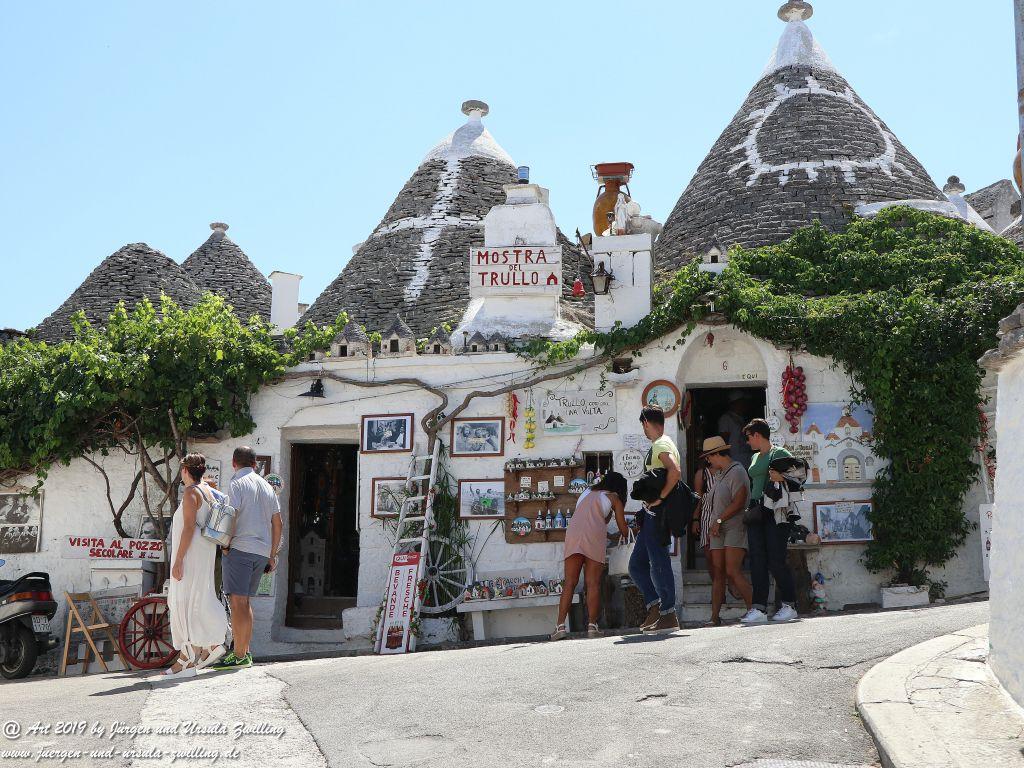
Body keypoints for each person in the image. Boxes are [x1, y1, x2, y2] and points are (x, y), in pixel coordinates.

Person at [213, 446, 283, 669]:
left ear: (234, 463)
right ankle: (245, 651)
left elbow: (230, 516)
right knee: (245, 602)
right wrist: (272, 554)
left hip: (240, 548)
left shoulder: (236, 484)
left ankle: (240, 654)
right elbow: (278, 523)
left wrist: (225, 545)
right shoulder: (267, 487)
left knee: (237, 602)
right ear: (255, 464)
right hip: (261, 551)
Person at [164, 453, 228, 679]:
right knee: (198, 596)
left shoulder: (191, 492)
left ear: (184, 471)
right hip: (205, 551)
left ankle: (189, 655)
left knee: (182, 598)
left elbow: (189, 527)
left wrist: (179, 559)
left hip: (192, 553)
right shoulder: (208, 490)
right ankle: (204, 646)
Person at [550, 472, 629, 640]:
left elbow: (587, 519)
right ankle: (592, 627)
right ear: (619, 488)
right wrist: (634, 530)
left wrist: (607, 532)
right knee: (592, 583)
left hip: (573, 534)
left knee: (569, 583)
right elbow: (623, 529)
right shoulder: (614, 498)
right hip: (594, 538)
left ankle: (559, 627)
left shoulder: (586, 492)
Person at [629, 404, 682, 634]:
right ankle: (655, 606)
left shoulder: (661, 444)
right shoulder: (663, 443)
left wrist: (660, 497)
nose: (644, 430)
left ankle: (668, 613)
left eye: (644, 425)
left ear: (646, 423)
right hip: (650, 514)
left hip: (657, 513)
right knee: (636, 565)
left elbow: (675, 471)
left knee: (659, 562)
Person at [741, 418, 798, 624]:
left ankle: (789, 604)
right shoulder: (755, 458)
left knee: (776, 558)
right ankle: (759, 608)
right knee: (757, 559)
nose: (747, 442)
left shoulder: (779, 453)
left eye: (749, 438)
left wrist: (781, 477)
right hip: (757, 509)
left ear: (757, 435)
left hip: (775, 510)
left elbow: (799, 474)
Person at [700, 437, 754, 626]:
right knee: (718, 573)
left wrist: (720, 520)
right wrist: (713, 524)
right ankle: (714, 617)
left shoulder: (737, 471)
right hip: (717, 529)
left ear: (717, 454)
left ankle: (754, 610)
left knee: (732, 570)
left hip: (734, 526)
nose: (708, 461)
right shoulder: (720, 474)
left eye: (709, 457)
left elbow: (739, 501)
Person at [718, 391, 753, 468]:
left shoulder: (741, 418)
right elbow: (723, 439)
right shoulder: (726, 418)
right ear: (734, 403)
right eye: (741, 402)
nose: (744, 405)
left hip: (746, 457)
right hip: (734, 458)